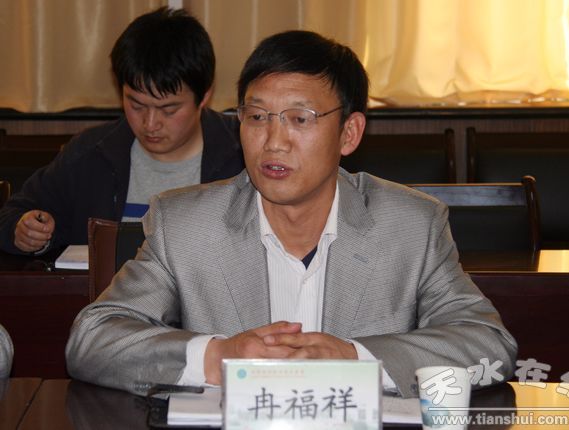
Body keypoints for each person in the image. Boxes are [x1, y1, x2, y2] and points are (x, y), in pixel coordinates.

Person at [66, 30, 517, 397]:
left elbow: (488, 344)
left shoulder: (411, 225)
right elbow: (93, 339)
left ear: (349, 133)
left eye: (300, 119)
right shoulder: (185, 224)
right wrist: (217, 357)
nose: (274, 141)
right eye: (257, 117)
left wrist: (354, 359)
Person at [0, 7, 244, 255]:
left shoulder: (243, 154)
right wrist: (25, 231)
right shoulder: (92, 152)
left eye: (168, 110)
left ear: (204, 96)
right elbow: (13, 215)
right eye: (136, 105)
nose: (150, 123)